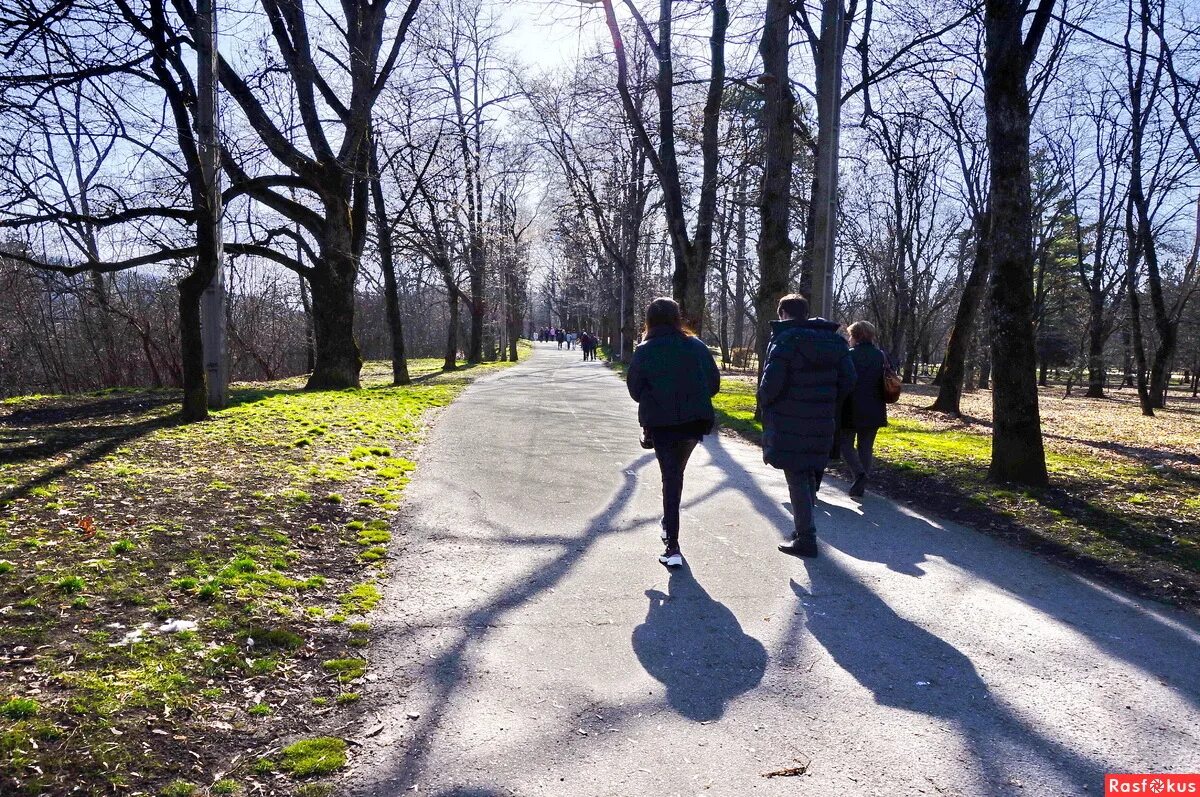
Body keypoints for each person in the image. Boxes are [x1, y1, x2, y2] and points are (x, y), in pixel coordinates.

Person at [757, 293, 856, 558]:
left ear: (783, 314)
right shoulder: (835, 343)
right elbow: (849, 379)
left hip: (790, 417)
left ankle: (806, 538)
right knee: (810, 471)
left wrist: (768, 404)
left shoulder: (785, 341)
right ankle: (804, 527)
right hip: (823, 417)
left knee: (797, 477)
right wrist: (828, 399)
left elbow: (771, 385)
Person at [627, 297, 721, 568]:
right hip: (693, 423)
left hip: (660, 423)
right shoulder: (697, 346)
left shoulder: (645, 349)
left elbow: (635, 391)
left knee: (671, 478)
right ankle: (669, 528)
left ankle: (672, 545)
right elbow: (713, 385)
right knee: (674, 475)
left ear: (650, 320)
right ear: (677, 317)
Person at [841, 321, 888, 498]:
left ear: (857, 336)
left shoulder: (849, 355)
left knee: (845, 443)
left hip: (852, 407)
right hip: (875, 407)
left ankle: (859, 473)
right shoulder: (880, 355)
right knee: (866, 447)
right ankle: (861, 485)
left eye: (851, 335)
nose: (849, 338)